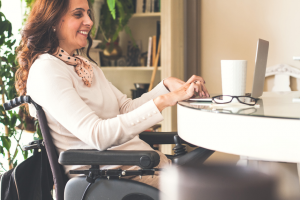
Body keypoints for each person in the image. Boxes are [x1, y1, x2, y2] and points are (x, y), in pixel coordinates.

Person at [15, 0, 209, 189]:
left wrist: (166, 87)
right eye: (78, 14)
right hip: (106, 179)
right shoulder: (47, 69)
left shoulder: (86, 66)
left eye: (88, 13)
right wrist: (163, 101)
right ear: (53, 21)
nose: (89, 21)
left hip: (141, 169)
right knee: (217, 187)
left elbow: (125, 109)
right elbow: (97, 134)